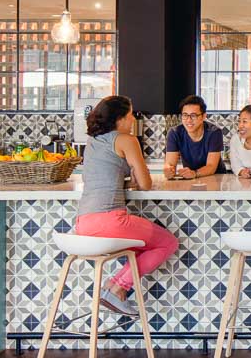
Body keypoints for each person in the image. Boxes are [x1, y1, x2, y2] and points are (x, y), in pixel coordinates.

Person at [74, 95, 179, 316]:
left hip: (83, 223)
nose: (133, 120)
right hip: (111, 221)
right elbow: (146, 184)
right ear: (120, 118)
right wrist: (137, 173)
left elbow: (106, 175)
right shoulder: (126, 140)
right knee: (167, 243)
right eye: (130, 115)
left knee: (139, 247)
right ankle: (118, 288)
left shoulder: (93, 141)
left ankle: (111, 288)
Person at [163, 95, 225, 179]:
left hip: (215, 177)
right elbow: (170, 164)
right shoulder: (174, 133)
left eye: (193, 115)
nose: (189, 120)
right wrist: (169, 170)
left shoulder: (214, 132)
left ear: (203, 116)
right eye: (185, 115)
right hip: (190, 178)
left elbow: (211, 167)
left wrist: (194, 173)